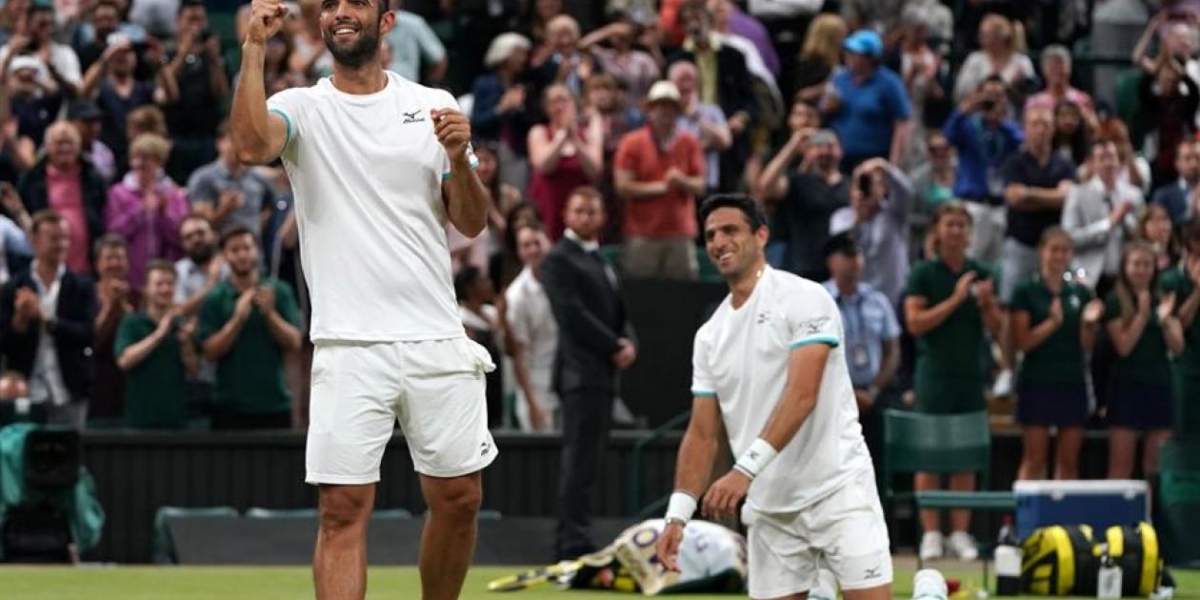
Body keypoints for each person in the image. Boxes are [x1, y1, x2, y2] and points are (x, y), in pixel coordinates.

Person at [231, 0, 498, 598]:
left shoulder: (437, 104)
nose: (339, 12)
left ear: (386, 22)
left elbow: (472, 222)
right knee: (341, 509)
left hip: (435, 335)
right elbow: (250, 146)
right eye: (329, 4)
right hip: (348, 343)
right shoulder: (299, 105)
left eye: (356, 2)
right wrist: (253, 49)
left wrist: (460, 159)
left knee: (460, 499)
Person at [655, 194, 891, 600]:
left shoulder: (805, 297)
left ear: (761, 235)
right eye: (711, 235)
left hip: (837, 488)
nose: (718, 241)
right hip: (770, 510)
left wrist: (743, 472)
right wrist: (678, 514)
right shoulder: (710, 336)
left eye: (730, 230)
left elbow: (803, 396)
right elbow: (702, 433)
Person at [904, 202, 1003, 561]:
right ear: (937, 230)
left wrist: (988, 306)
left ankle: (960, 532)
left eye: (963, 226)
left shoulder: (982, 271)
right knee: (929, 456)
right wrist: (957, 299)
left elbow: (998, 330)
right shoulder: (924, 273)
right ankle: (931, 533)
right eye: (950, 225)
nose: (957, 232)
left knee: (965, 457)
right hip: (933, 375)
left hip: (970, 376)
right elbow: (915, 324)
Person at [541, 186, 636, 560]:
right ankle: (570, 542)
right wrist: (615, 345)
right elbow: (571, 315)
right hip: (579, 375)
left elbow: (619, 311)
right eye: (579, 211)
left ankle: (579, 536)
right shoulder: (558, 260)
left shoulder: (601, 259)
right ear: (566, 215)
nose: (586, 217)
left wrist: (628, 340)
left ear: (602, 216)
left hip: (600, 375)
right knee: (578, 461)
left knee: (589, 463)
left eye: (592, 211)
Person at [1009, 228, 1102, 481]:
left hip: (1071, 380)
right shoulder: (1026, 290)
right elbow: (1021, 342)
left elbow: (1087, 346)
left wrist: (1089, 325)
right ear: (1042, 251)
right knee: (1034, 459)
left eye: (1065, 250)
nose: (1059, 256)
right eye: (1054, 250)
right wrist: (1051, 323)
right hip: (1037, 380)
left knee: (1069, 461)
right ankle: (1025, 519)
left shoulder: (1080, 293)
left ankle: (1067, 519)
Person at [196, 226, 302, 430]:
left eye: (247, 248)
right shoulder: (215, 298)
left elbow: (295, 342)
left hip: (275, 403)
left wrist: (270, 314)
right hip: (228, 406)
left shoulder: (279, 291)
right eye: (235, 250)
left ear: (257, 251)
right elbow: (209, 352)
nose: (242, 254)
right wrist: (237, 319)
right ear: (225, 256)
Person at [0, 211, 98, 429]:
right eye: (54, 238)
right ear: (34, 240)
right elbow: (5, 344)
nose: (61, 244)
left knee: (70, 457)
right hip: (26, 389)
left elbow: (88, 334)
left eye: (65, 238)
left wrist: (46, 319)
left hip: (69, 388)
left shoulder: (81, 286)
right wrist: (20, 320)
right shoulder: (14, 287)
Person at [822, 231, 900, 481]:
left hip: (873, 396)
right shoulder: (819, 299)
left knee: (875, 469)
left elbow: (892, 350)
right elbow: (814, 354)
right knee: (835, 471)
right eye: (847, 255)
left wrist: (874, 390)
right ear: (831, 261)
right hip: (832, 398)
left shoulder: (877, 300)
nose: (854, 260)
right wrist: (846, 392)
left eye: (857, 254)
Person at [1104, 242, 1184, 481]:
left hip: (1159, 385)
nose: (1141, 270)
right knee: (1121, 466)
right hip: (1126, 387)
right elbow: (1124, 347)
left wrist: (1166, 321)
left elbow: (1178, 347)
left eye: (1147, 264)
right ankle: (1114, 518)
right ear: (1126, 267)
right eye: (1136, 264)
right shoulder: (1115, 301)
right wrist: (1141, 315)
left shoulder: (1164, 299)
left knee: (1155, 469)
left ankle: (1153, 517)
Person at [613, 80, 706, 280]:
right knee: (640, 294)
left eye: (670, 106)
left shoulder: (688, 142)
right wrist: (662, 187)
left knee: (683, 294)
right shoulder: (632, 142)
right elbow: (622, 186)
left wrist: (681, 181)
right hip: (642, 234)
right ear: (650, 110)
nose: (665, 111)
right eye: (660, 105)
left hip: (680, 233)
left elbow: (700, 186)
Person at [115, 260, 199, 429]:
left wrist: (186, 344)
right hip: (139, 419)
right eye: (159, 284)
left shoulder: (182, 324)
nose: (165, 289)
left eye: (170, 284)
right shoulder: (132, 322)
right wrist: (158, 336)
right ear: (146, 289)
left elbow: (194, 370)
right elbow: (124, 361)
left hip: (175, 419)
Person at [1061, 140, 1144, 295]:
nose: (1108, 163)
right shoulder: (1077, 194)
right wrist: (1108, 224)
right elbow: (1069, 239)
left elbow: (1142, 236)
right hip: (1087, 276)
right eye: (1102, 158)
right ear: (1091, 164)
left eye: (1112, 157)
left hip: (1125, 276)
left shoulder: (1133, 195)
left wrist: (1124, 219)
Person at [505, 221, 560, 432]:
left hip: (567, 387)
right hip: (538, 392)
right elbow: (519, 355)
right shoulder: (517, 296)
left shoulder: (565, 281)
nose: (533, 250)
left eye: (537, 242)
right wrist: (532, 404)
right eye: (526, 245)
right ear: (519, 251)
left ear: (549, 243)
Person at [1161, 221, 1200, 439]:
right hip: (1184, 367)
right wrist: (1197, 292)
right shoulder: (1170, 280)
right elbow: (1178, 327)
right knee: (1185, 433)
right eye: (1195, 255)